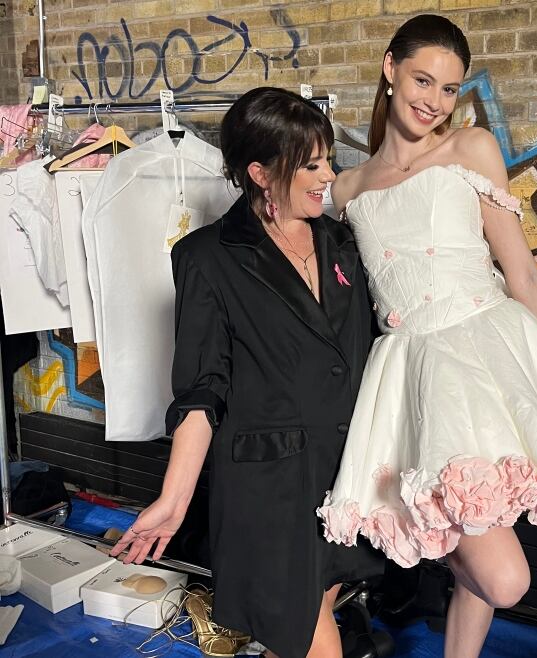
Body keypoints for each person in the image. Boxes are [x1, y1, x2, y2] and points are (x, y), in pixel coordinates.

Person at [318, 14, 537, 658]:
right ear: (389, 68)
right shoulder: (346, 189)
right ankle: (427, 560)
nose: (433, 100)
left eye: (448, 88)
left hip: (489, 352)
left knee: (493, 556)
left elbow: (520, 270)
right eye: (421, 79)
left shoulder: (471, 149)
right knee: (503, 573)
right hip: (411, 375)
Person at [111, 87, 384, 658]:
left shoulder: (346, 243)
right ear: (261, 172)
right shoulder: (205, 257)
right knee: (311, 638)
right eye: (311, 164)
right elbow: (200, 390)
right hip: (272, 492)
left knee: (315, 614)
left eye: (328, 159)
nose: (328, 176)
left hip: (349, 477)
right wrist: (175, 496)